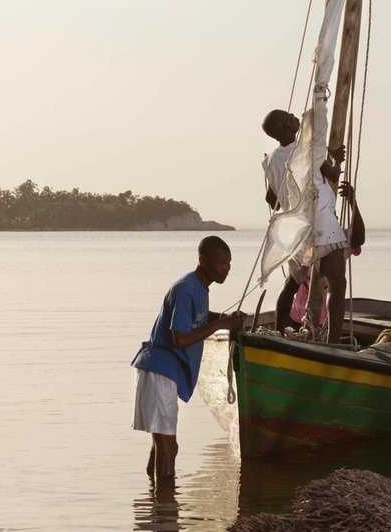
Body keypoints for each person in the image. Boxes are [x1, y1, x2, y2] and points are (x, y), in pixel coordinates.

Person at [131, 236, 244, 480]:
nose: (225, 268)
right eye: (220, 262)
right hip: (160, 370)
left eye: (229, 262)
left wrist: (223, 317)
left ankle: (157, 506)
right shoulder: (185, 288)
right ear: (202, 261)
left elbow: (199, 318)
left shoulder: (201, 287)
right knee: (169, 448)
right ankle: (167, 512)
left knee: (161, 447)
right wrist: (223, 324)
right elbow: (179, 339)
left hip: (165, 371)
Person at [261, 109, 364, 343]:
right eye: (290, 117)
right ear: (286, 128)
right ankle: (333, 342)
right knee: (338, 283)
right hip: (322, 225)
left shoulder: (269, 161)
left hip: (294, 230)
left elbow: (271, 200)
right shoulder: (309, 149)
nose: (296, 117)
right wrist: (335, 158)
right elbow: (333, 174)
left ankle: (278, 333)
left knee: (292, 283)